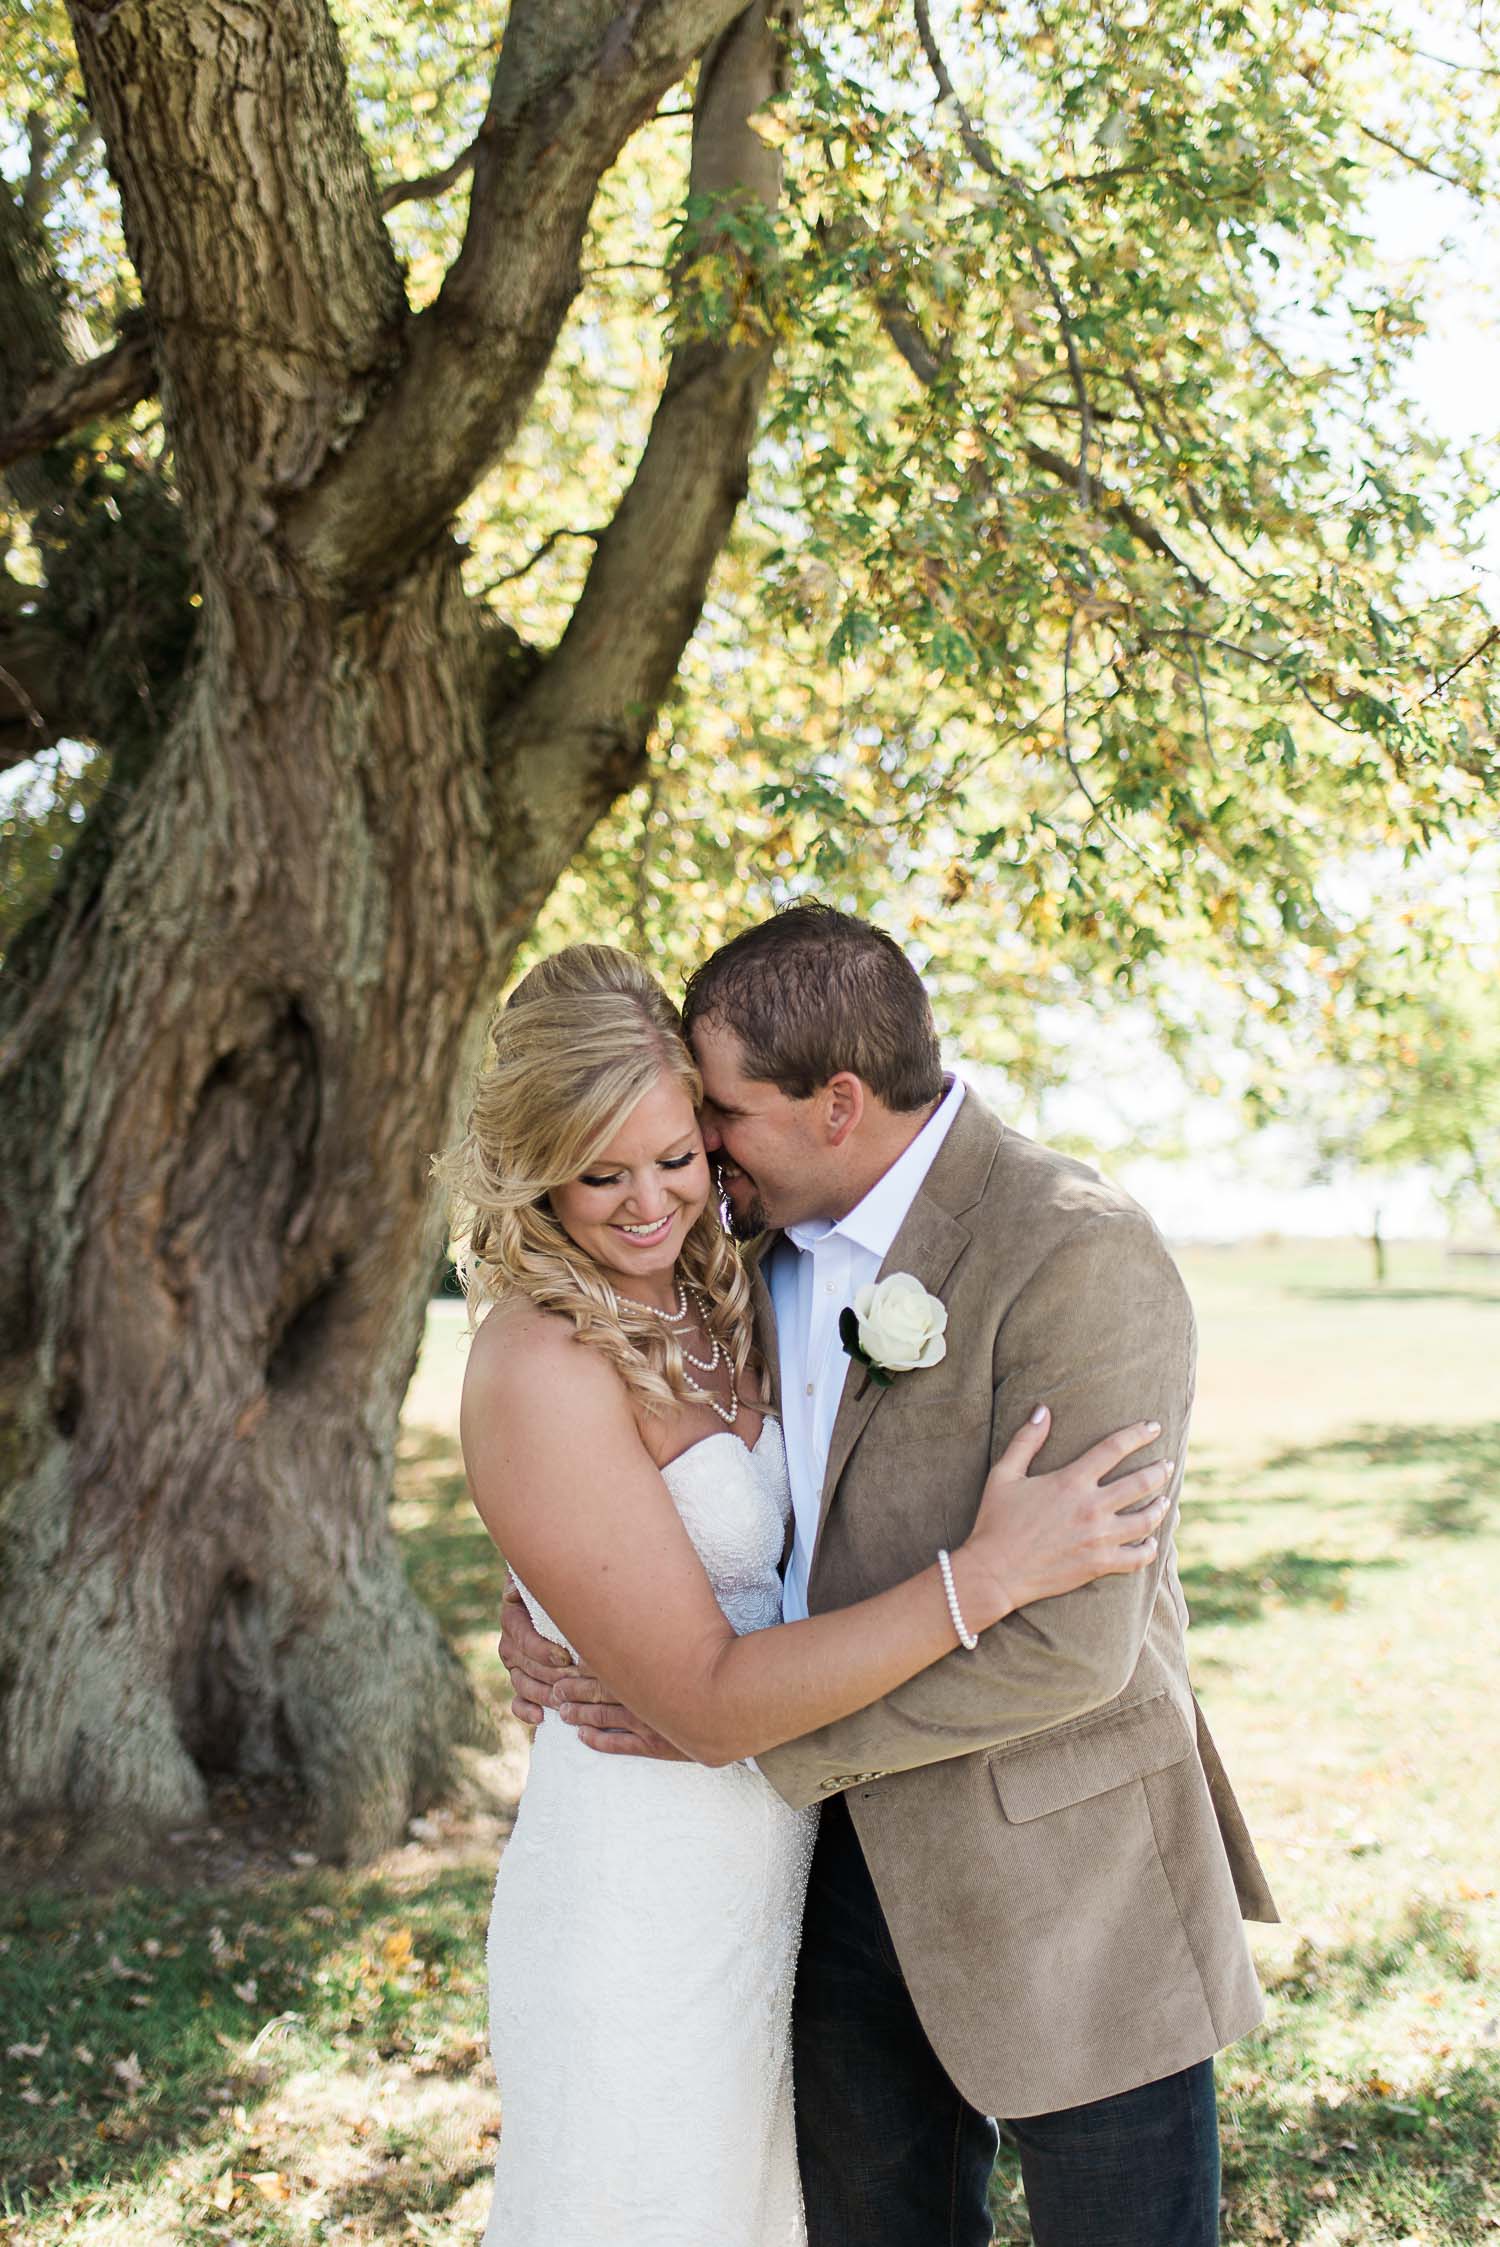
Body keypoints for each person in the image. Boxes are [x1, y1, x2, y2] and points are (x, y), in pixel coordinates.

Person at [502, 905, 1280, 2247]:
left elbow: (1071, 1648)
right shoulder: (730, 1243)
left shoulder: (1074, 1249)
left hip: (1064, 1884)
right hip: (820, 1901)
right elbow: (620, 1465)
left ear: (836, 1104)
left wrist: (736, 1731)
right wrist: (552, 1602)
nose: (694, 1159)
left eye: (716, 1119)